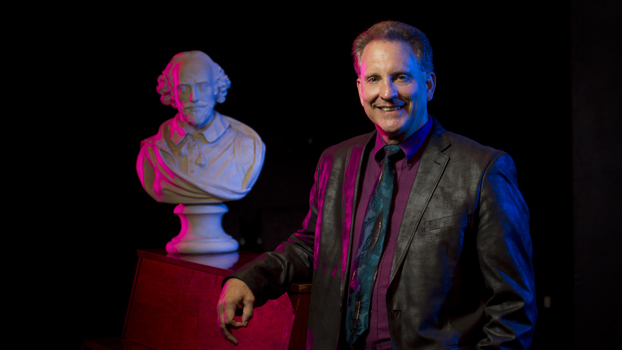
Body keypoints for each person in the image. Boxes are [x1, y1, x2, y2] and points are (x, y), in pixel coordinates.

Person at [217, 21, 536, 349]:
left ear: (428, 85)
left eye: (401, 77)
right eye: (374, 79)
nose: (387, 93)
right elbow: (312, 245)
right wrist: (251, 279)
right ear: (360, 89)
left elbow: (512, 306)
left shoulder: (482, 170)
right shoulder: (335, 161)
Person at [137, 51, 264, 205]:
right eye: (184, 88)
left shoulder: (246, 147)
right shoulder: (152, 152)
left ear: (216, 88)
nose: (194, 98)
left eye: (202, 86)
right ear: (172, 92)